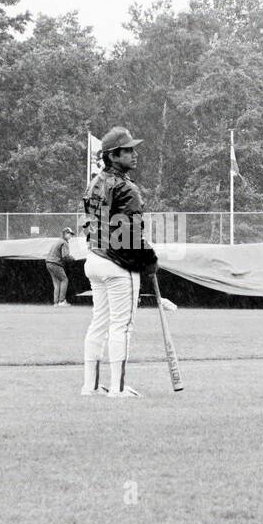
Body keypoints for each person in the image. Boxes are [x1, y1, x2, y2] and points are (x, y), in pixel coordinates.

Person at [82, 126, 158, 397]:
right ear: (113, 156)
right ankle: (118, 388)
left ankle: (90, 387)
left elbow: (96, 225)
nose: (134, 154)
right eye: (128, 150)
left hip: (94, 259)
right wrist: (148, 259)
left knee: (99, 323)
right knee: (121, 326)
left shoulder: (94, 182)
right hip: (117, 264)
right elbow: (131, 234)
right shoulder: (127, 187)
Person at [46, 228, 76, 306]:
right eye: (70, 234)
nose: (71, 236)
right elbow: (65, 256)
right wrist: (73, 259)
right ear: (65, 234)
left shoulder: (58, 241)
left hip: (49, 263)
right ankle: (62, 301)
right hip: (55, 263)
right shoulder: (64, 242)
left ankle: (56, 303)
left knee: (56, 283)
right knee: (64, 280)